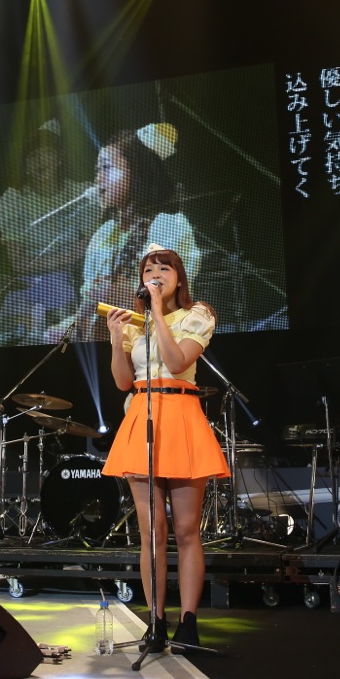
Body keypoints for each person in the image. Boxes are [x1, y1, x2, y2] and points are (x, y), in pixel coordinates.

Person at [101, 246, 228, 650]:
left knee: (186, 529)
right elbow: (123, 382)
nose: (155, 274)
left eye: (163, 268)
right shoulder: (135, 325)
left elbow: (177, 363)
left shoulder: (197, 314)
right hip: (143, 414)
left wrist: (156, 311)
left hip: (181, 414)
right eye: (148, 269)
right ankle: (155, 621)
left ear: (179, 276)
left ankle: (188, 622)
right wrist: (117, 338)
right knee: (151, 531)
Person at [59, 127, 202, 340]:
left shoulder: (168, 225)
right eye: (97, 171)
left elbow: (169, 295)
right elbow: (90, 301)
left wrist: (127, 294)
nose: (98, 179)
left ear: (137, 171)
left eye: (106, 168)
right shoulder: (103, 234)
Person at [0, 133, 96, 342]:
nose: (40, 161)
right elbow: (18, 263)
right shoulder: (14, 199)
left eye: (47, 153)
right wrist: (68, 256)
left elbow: (90, 246)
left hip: (70, 282)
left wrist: (63, 260)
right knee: (17, 339)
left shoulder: (80, 193)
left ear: (58, 158)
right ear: (25, 165)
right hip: (25, 286)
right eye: (33, 156)